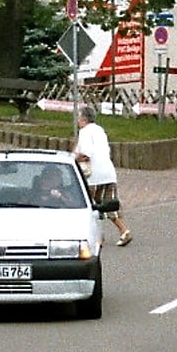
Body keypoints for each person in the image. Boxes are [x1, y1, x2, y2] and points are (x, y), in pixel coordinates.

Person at [73, 104, 130, 246]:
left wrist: (73, 158)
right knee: (109, 204)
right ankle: (124, 231)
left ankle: (98, 238)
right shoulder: (100, 130)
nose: (77, 121)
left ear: (84, 119)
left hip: (93, 176)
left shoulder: (85, 132)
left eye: (79, 118)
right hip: (108, 173)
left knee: (91, 206)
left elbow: (85, 155)